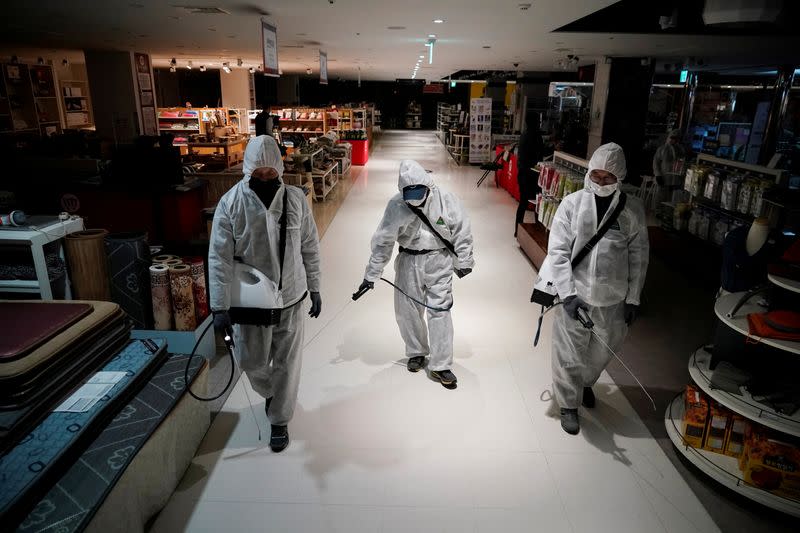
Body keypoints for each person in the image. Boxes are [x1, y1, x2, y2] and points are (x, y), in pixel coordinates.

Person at [208, 135, 322, 452]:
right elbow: (218, 258)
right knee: (250, 360)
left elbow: (310, 246)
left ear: (279, 169)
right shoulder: (231, 204)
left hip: (292, 295)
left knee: (288, 362)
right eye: (258, 174)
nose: (265, 178)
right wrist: (219, 307)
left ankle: (279, 420)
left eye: (270, 173)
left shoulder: (296, 200)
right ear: (248, 170)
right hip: (252, 301)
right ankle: (273, 392)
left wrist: (314, 286)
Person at [539, 143, 649, 434]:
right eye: (596, 176)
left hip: (613, 298)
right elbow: (558, 251)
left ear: (619, 178)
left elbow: (639, 257)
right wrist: (568, 294)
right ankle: (568, 404)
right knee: (568, 351)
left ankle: (585, 382)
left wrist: (633, 298)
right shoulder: (572, 204)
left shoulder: (632, 211)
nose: (600, 182)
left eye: (607, 178)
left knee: (603, 351)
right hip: (575, 296)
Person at [357, 160, 474, 388]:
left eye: (419, 191)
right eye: (409, 192)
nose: (415, 196)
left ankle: (441, 364)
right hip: (408, 260)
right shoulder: (396, 205)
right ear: (401, 191)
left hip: (439, 260)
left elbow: (462, 231)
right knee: (407, 310)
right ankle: (416, 351)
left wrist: (464, 260)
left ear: (428, 185)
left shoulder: (446, 200)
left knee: (440, 311)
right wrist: (371, 274)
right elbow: (383, 241)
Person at [514, 112, 545, 237]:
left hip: (522, 174)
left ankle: (517, 229)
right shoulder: (536, 136)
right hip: (533, 176)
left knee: (523, 203)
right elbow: (540, 156)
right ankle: (537, 230)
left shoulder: (524, 134)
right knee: (538, 203)